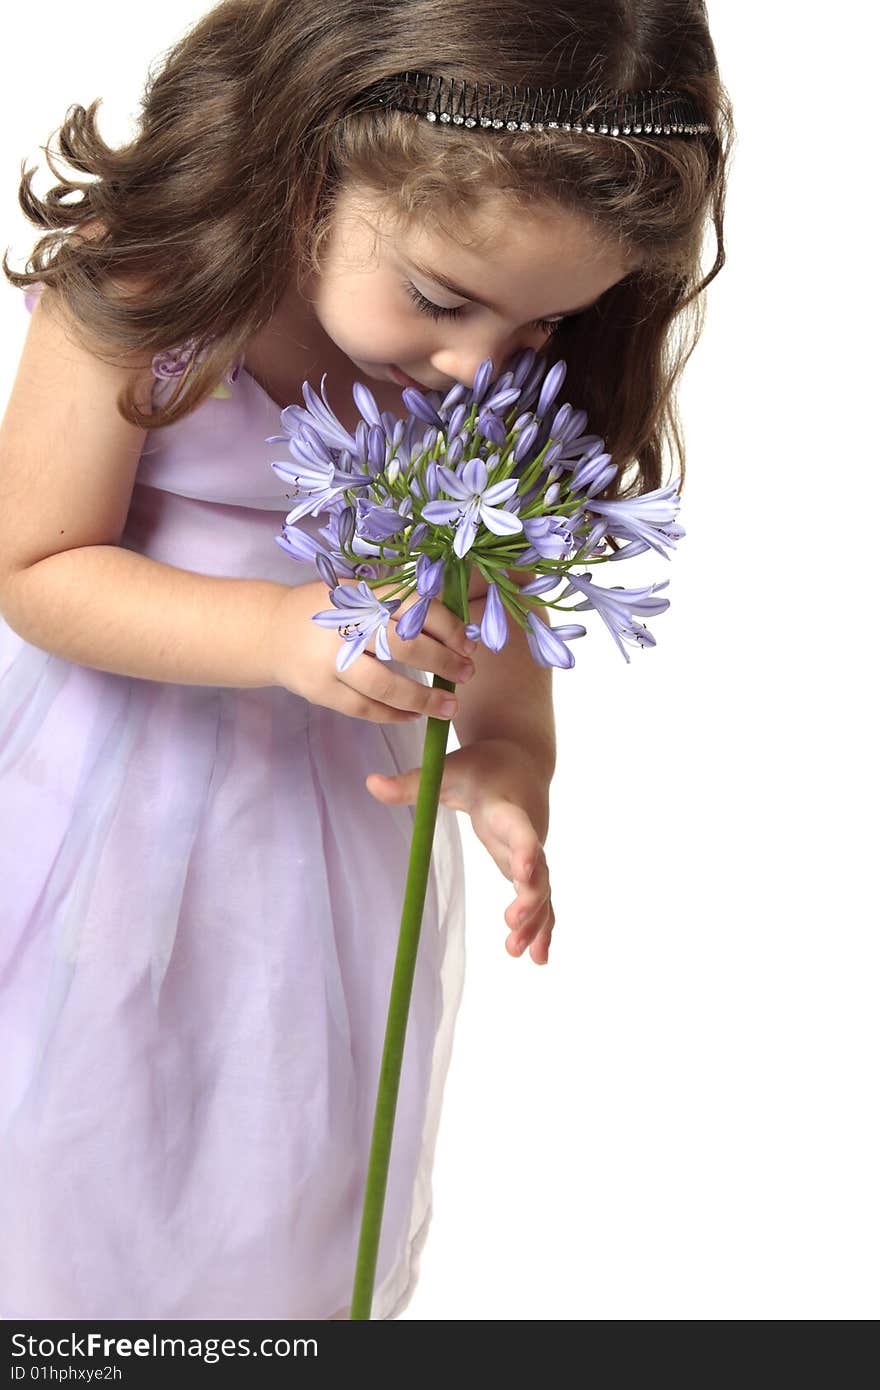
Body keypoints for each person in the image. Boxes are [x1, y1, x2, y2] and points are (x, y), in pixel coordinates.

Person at [0, 0, 733, 1320]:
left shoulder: (480, 364)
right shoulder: (152, 275)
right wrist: (277, 631)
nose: (476, 368)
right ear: (307, 164)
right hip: (89, 813)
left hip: (312, 852)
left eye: (541, 328)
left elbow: (496, 644)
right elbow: (34, 567)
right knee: (63, 1149)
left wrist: (512, 765)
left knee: (281, 1183)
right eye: (444, 299)